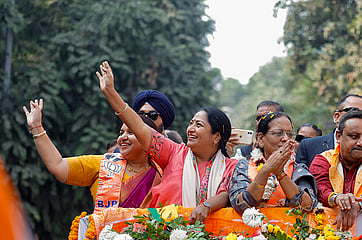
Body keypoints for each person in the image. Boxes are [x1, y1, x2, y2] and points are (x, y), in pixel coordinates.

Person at [97, 61, 237, 223]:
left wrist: (206, 206)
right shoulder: (173, 152)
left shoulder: (230, 166)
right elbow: (139, 127)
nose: (190, 129)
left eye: (199, 125)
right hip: (158, 237)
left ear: (217, 136)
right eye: (191, 123)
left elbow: (225, 194)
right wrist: (110, 92)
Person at [24, 99, 162, 212]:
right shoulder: (103, 164)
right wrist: (36, 128)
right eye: (121, 133)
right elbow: (58, 165)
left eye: (131, 133)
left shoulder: (163, 173)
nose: (123, 138)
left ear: (147, 139)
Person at [310, 110, 362, 231]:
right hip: (324, 234)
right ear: (338, 136)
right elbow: (319, 188)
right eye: (354, 137)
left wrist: (358, 205)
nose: (361, 143)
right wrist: (337, 198)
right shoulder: (323, 160)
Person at [229, 111, 317, 213]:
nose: (286, 139)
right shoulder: (244, 166)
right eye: (278, 133)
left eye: (289, 134)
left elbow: (307, 205)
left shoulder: (298, 169)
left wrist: (280, 173)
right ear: (261, 139)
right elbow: (240, 204)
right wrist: (266, 170)